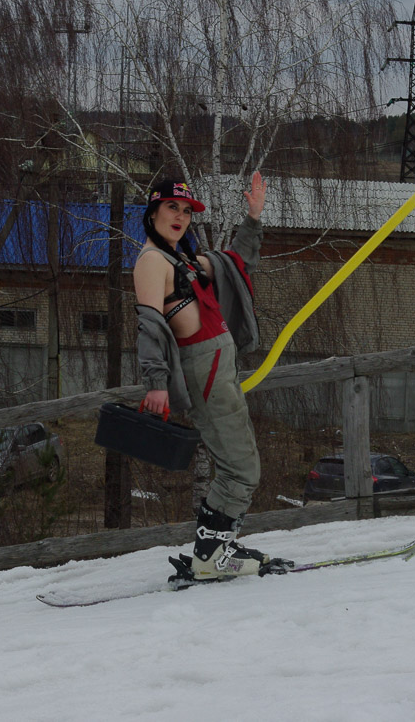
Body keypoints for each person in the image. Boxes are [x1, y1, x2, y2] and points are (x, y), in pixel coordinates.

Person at [133, 173, 277, 580]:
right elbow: (148, 326)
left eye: (185, 211)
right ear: (153, 212)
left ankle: (216, 547)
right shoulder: (151, 262)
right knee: (241, 468)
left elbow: (234, 262)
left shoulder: (181, 259)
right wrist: (156, 384)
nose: (179, 216)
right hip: (204, 371)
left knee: (240, 461)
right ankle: (212, 555)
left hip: (218, 369)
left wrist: (253, 217)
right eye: (171, 208)